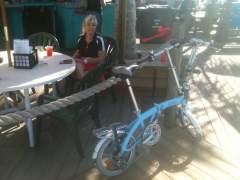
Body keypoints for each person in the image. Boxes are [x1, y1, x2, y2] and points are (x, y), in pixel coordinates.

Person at [73, 15, 106, 79]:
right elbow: (77, 53)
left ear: (96, 27)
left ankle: (83, 82)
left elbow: (102, 60)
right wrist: (72, 59)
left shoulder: (99, 40)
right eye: (88, 24)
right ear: (84, 26)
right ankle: (83, 80)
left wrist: (89, 60)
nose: (91, 27)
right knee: (71, 70)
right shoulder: (81, 39)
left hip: (95, 67)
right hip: (82, 65)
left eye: (93, 25)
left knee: (77, 70)